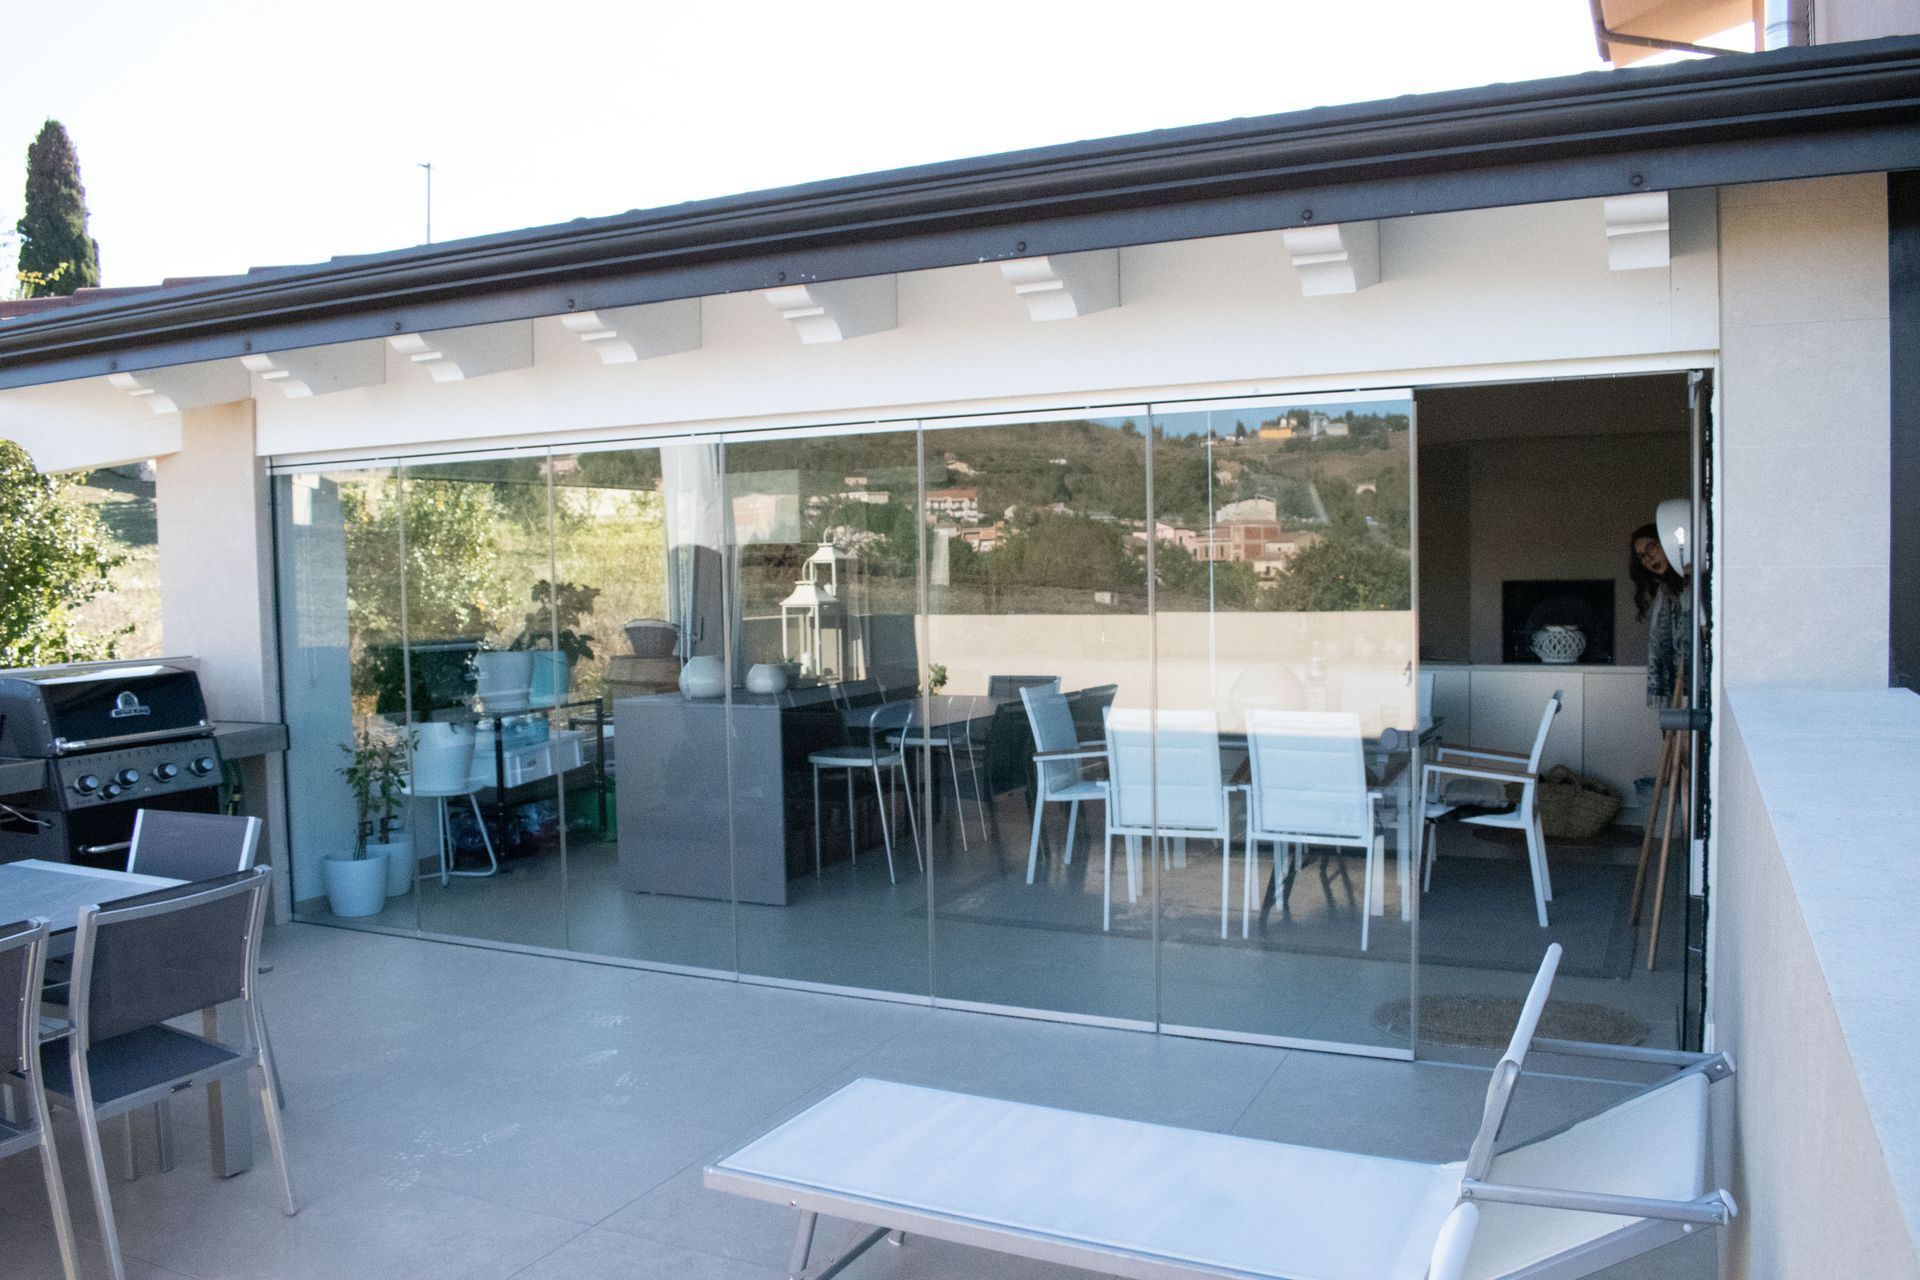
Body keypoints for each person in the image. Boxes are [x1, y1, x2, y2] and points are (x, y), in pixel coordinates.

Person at [1630, 522, 1689, 706]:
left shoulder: (1690, 584)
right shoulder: (1665, 592)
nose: (1648, 559)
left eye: (1651, 548)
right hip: (1675, 683)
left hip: (1693, 684)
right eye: (1641, 556)